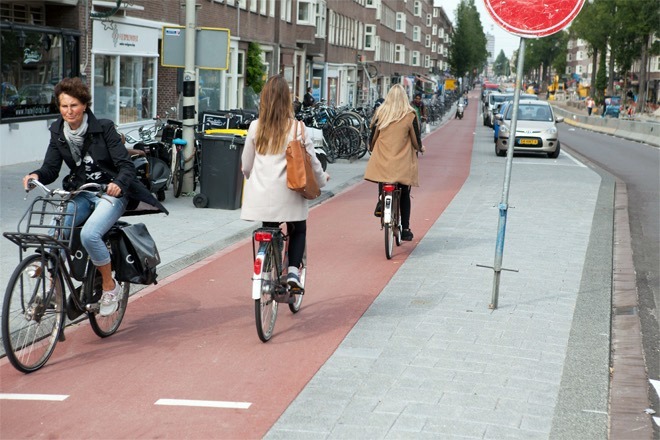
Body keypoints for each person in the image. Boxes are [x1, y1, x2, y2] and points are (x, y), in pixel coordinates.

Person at [22, 77, 167, 316]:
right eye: (64, 106)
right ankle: (52, 286)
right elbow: (51, 168)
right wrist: (35, 174)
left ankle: (109, 287)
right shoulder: (58, 131)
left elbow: (126, 166)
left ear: (85, 106)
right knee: (55, 230)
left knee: (90, 234)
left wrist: (118, 184)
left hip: (109, 195)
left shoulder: (104, 128)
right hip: (81, 192)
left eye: (74, 105)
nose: (69, 111)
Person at [241, 75, 330, 288]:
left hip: (261, 196)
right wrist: (322, 180)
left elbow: (246, 165)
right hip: (290, 194)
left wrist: (252, 178)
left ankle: (266, 270)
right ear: (287, 101)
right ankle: (291, 273)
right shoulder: (298, 128)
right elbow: (312, 162)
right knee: (298, 228)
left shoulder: (255, 127)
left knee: (269, 225)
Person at [365, 84, 425, 241]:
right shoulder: (410, 115)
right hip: (402, 162)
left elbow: (372, 139)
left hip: (383, 159)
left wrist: (372, 148)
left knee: (383, 177)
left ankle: (381, 201)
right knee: (404, 192)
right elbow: (416, 141)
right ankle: (405, 228)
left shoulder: (381, 113)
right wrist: (421, 148)